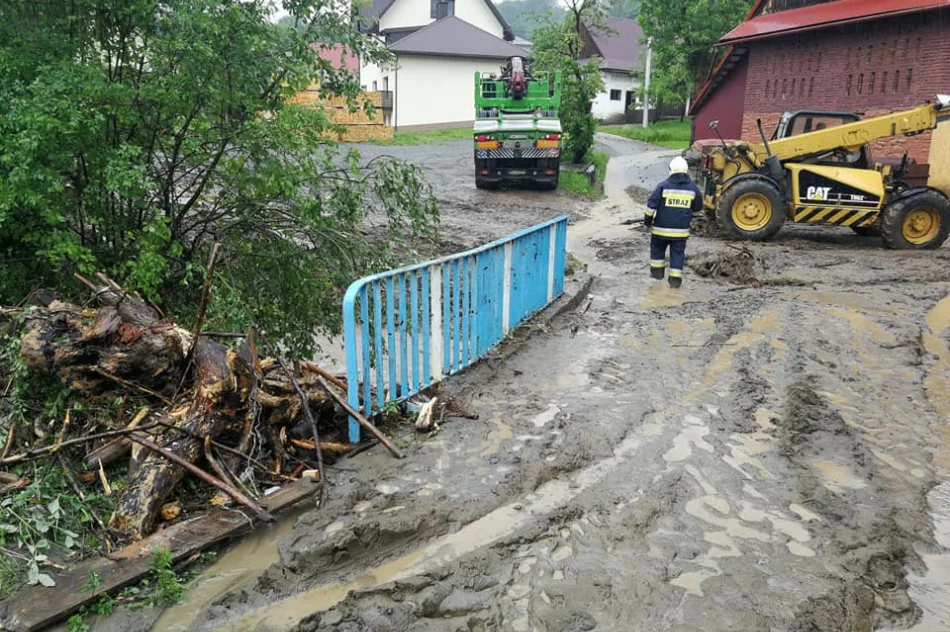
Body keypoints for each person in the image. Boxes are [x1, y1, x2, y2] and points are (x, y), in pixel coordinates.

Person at [643, 156, 703, 288]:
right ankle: (675, 283)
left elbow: (650, 207)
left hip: (660, 231)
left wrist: (647, 222)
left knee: (657, 253)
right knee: (677, 255)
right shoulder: (693, 189)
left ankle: (656, 279)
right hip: (680, 234)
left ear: (671, 170)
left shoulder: (663, 186)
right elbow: (697, 210)